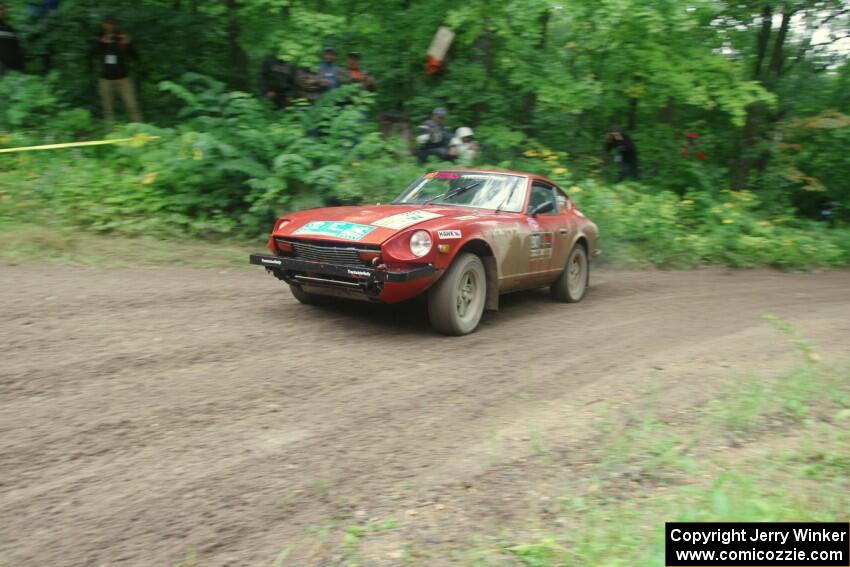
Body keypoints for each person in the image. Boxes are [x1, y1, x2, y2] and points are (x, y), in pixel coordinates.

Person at [90, 15, 142, 124]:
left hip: (123, 79)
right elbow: (91, 54)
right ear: (103, 25)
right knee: (108, 109)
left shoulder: (120, 38)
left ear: (115, 25)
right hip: (106, 80)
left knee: (132, 106)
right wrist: (101, 43)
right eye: (106, 23)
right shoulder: (100, 38)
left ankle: (140, 131)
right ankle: (110, 135)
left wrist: (128, 44)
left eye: (111, 24)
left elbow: (135, 57)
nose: (109, 26)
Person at [0, 3, 25, 74]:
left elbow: (17, 51)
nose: (2, 12)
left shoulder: (10, 29)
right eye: (0, 9)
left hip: (12, 72)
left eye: (3, 9)